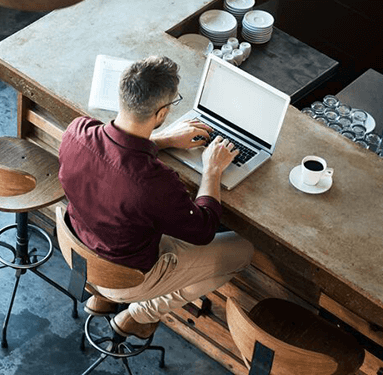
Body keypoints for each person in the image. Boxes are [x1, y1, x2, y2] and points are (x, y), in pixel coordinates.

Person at [58, 55, 255, 339]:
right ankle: (140, 313)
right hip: (130, 275)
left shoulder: (77, 132)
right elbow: (204, 229)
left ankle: (104, 293)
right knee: (243, 250)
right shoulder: (154, 183)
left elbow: (116, 160)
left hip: (82, 249)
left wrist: (162, 140)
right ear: (161, 113)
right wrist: (212, 169)